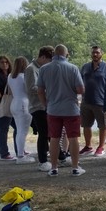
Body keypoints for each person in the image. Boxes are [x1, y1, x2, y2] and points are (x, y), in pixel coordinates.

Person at [37, 44, 86, 177]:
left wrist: (45, 104)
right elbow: (81, 89)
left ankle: (53, 168)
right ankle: (75, 168)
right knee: (73, 138)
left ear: (53, 54)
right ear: (66, 54)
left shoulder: (44, 69)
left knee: (54, 138)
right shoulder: (73, 68)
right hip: (71, 109)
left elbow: (40, 90)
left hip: (53, 109)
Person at [25, 46, 55, 171]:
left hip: (46, 105)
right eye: (49, 60)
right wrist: (48, 90)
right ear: (42, 57)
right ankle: (42, 161)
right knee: (43, 133)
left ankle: (60, 155)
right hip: (37, 106)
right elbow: (32, 88)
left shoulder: (42, 68)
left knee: (51, 132)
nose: (50, 64)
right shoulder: (31, 69)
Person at [79, 45, 106, 157]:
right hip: (86, 101)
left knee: (103, 126)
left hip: (101, 102)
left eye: (97, 52)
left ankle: (101, 147)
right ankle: (88, 146)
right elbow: (80, 82)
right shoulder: (85, 67)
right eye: (93, 53)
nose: (95, 54)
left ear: (101, 53)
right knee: (86, 125)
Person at [6, 56, 36, 164]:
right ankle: (20, 156)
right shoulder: (24, 77)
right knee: (23, 131)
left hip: (14, 103)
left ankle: (20, 152)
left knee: (19, 130)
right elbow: (30, 90)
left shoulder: (10, 76)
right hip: (24, 104)